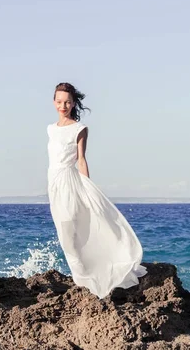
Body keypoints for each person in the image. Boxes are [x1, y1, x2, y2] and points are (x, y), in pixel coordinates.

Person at [47, 82, 147, 298]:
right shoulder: (50, 129)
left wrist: (87, 189)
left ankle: (87, 281)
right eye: (59, 101)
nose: (62, 106)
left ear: (73, 103)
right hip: (53, 183)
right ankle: (85, 277)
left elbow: (81, 160)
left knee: (70, 231)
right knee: (65, 235)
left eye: (67, 102)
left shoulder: (79, 129)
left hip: (70, 182)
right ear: (53, 102)